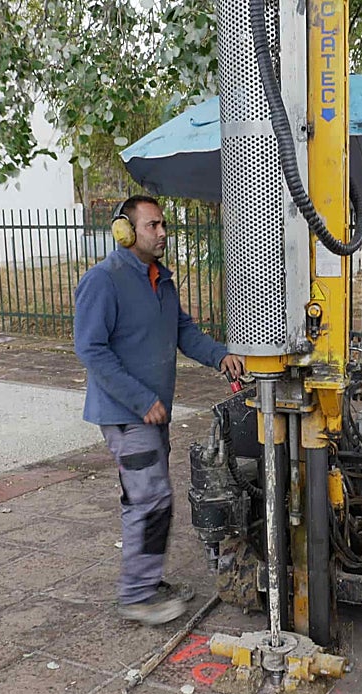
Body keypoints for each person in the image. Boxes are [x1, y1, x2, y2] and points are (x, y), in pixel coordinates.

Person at [74, 196, 245, 625]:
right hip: (128, 414)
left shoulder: (160, 279)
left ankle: (146, 581)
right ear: (125, 231)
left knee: (149, 498)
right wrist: (141, 400)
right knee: (150, 499)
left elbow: (182, 331)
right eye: (152, 225)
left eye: (163, 224)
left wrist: (220, 356)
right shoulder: (104, 280)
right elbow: (90, 349)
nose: (163, 232)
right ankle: (136, 595)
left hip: (153, 415)